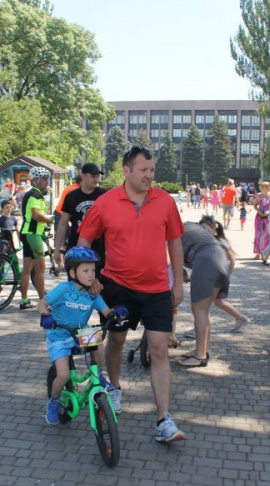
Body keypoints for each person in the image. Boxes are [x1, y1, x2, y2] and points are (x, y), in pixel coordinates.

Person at [77, 145, 186, 443]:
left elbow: (175, 242)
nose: (150, 176)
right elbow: (85, 238)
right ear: (126, 171)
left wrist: (177, 284)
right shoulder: (106, 202)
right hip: (117, 286)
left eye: (152, 170)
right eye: (143, 170)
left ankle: (164, 419)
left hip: (157, 289)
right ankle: (113, 386)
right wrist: (89, 278)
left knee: (160, 349)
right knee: (116, 340)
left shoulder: (164, 201)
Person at [40, 247, 127, 425]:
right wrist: (46, 315)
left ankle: (100, 376)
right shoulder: (64, 289)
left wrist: (116, 313)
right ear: (72, 272)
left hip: (80, 333)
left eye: (93, 270)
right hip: (59, 336)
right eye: (85, 271)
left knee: (99, 341)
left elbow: (106, 311)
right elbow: (42, 304)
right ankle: (54, 402)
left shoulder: (93, 294)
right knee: (63, 376)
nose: (90, 275)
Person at [177, 216, 230, 369]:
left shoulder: (174, 231)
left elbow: (173, 257)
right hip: (220, 259)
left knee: (199, 311)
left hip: (206, 261)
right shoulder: (192, 227)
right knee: (204, 311)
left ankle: (199, 357)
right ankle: (202, 350)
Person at [54, 164, 106, 270]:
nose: (96, 179)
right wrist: (57, 249)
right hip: (76, 244)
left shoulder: (104, 194)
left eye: (97, 176)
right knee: (76, 281)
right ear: (83, 176)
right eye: (93, 176)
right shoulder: (71, 196)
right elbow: (63, 224)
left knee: (97, 283)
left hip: (99, 246)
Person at [19, 167, 53, 309]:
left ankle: (24, 300)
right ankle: (43, 302)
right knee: (40, 269)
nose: (47, 181)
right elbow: (36, 215)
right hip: (33, 235)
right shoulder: (36, 195)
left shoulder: (32, 193)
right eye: (44, 179)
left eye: (47, 178)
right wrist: (49, 220)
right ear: (36, 180)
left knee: (27, 269)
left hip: (27, 233)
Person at [253, 182, 270, 260]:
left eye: (264, 186)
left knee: (266, 235)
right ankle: (257, 253)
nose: (262, 187)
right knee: (258, 234)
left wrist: (269, 212)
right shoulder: (258, 195)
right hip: (259, 217)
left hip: (268, 218)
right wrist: (258, 210)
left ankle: (265, 252)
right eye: (261, 186)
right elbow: (254, 205)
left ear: (268, 187)